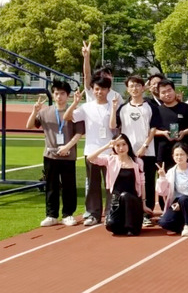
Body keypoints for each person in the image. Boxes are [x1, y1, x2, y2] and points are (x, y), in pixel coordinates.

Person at [26, 81, 84, 227]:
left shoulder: (74, 112)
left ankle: (68, 214)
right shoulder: (45, 112)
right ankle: (51, 215)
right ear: (53, 95)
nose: (59, 97)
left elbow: (79, 133)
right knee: (51, 185)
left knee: (69, 185)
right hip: (50, 155)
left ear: (68, 95)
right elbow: (29, 126)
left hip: (68, 154)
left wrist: (67, 146)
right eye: (56, 93)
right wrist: (34, 111)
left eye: (62, 93)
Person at [64, 75, 114, 227]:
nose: (99, 92)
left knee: (110, 185)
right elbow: (67, 117)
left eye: (103, 89)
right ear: (92, 90)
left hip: (110, 152)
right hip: (92, 151)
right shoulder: (86, 107)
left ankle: (111, 213)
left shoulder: (113, 106)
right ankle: (93, 214)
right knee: (93, 184)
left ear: (108, 90)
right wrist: (75, 103)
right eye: (97, 89)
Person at [111, 75, 159, 227]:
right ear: (127, 89)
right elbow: (114, 126)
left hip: (147, 152)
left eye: (138, 85)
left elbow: (153, 128)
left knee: (148, 183)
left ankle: (146, 213)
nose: (135, 88)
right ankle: (129, 211)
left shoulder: (150, 107)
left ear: (143, 87)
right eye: (131, 86)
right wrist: (113, 109)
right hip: (127, 153)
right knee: (130, 183)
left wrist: (145, 146)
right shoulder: (123, 108)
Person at [87, 135, 146, 236]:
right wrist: (107, 146)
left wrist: (143, 204)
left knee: (125, 196)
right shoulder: (110, 160)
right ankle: (123, 224)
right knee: (111, 225)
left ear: (128, 145)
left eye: (124, 144)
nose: (121, 148)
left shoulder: (137, 162)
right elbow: (90, 158)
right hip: (116, 201)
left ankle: (131, 226)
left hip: (132, 200)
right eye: (117, 145)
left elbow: (142, 183)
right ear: (114, 147)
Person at [156, 143, 188, 236]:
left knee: (184, 199)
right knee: (163, 222)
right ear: (173, 156)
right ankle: (183, 225)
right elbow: (162, 192)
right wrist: (162, 177)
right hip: (176, 203)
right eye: (176, 155)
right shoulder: (171, 172)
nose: (179, 157)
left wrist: (185, 201)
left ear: (187, 156)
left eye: (181, 154)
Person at [152, 80, 188, 171]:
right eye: (163, 92)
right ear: (159, 95)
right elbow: (151, 130)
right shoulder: (156, 110)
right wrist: (163, 133)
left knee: (185, 174)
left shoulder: (186, 108)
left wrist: (184, 132)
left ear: (174, 90)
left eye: (169, 90)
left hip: (183, 149)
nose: (167, 94)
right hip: (164, 150)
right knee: (164, 176)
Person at [80, 40, 122, 104]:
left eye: (108, 75)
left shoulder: (116, 96)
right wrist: (86, 57)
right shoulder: (92, 90)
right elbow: (87, 75)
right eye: (103, 75)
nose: (106, 77)